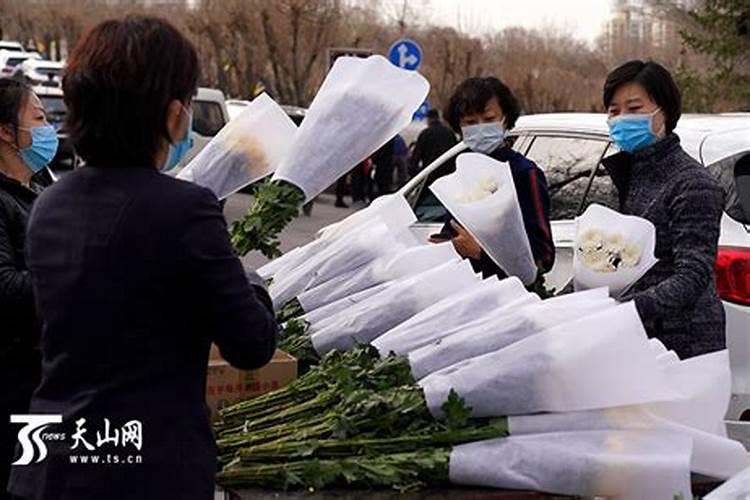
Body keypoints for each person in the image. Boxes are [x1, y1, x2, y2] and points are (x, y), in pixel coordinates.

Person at [7, 16, 277, 500]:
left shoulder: (50, 203)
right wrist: (247, 275)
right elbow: (251, 344)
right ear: (174, 115)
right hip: (143, 472)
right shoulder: (185, 209)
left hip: (50, 467)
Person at [601, 60, 725, 358]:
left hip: (680, 346)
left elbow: (692, 275)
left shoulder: (692, 183)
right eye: (614, 111)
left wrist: (623, 310)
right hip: (631, 338)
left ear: (664, 112)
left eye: (634, 109)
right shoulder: (625, 177)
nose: (621, 119)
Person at [0, 77, 57, 500]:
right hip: (13, 386)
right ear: (5, 131)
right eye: (38, 118)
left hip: (43, 380)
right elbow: (5, 289)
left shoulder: (37, 190)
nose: (47, 129)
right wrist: (77, 280)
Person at [438, 77, 555, 280]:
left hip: (508, 297)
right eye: (470, 123)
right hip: (462, 292)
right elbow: (452, 233)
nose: (480, 128)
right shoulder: (462, 174)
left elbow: (543, 257)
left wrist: (480, 254)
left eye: (489, 119)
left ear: (505, 119)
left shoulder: (524, 173)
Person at [409, 109, 457, 177]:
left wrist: (415, 174)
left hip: (430, 174)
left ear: (428, 119)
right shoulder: (449, 133)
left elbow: (415, 158)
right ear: (438, 118)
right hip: (448, 175)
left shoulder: (425, 134)